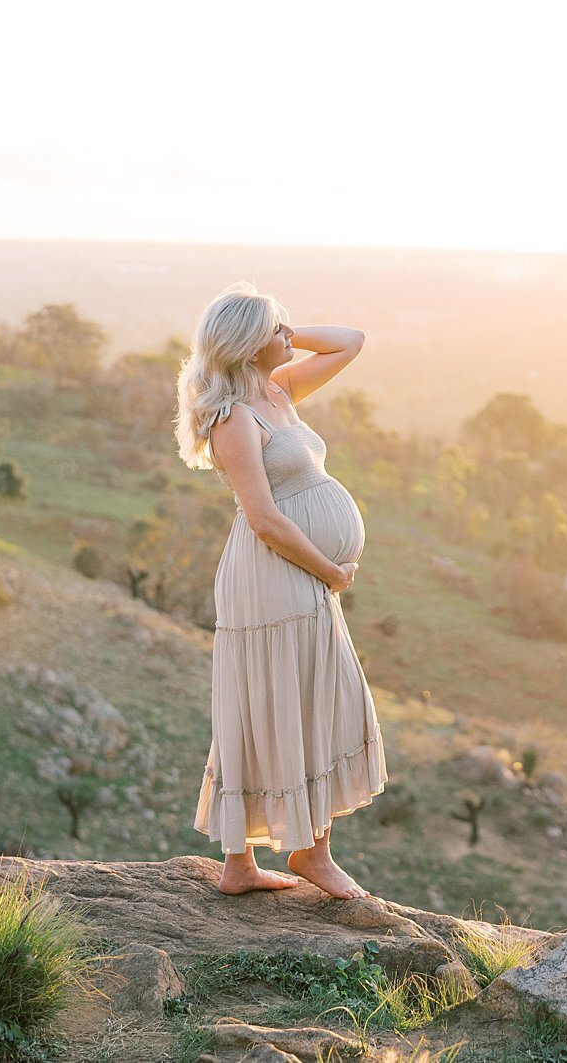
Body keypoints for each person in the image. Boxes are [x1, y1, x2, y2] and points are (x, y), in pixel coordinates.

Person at [173, 282, 386, 898]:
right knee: (275, 697)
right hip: (275, 575)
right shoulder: (233, 418)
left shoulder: (277, 389)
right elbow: (264, 520)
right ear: (244, 343)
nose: (286, 336)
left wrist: (285, 331)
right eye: (274, 329)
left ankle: (288, 857)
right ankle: (269, 860)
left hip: (301, 573)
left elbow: (352, 342)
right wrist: (330, 570)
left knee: (311, 694)